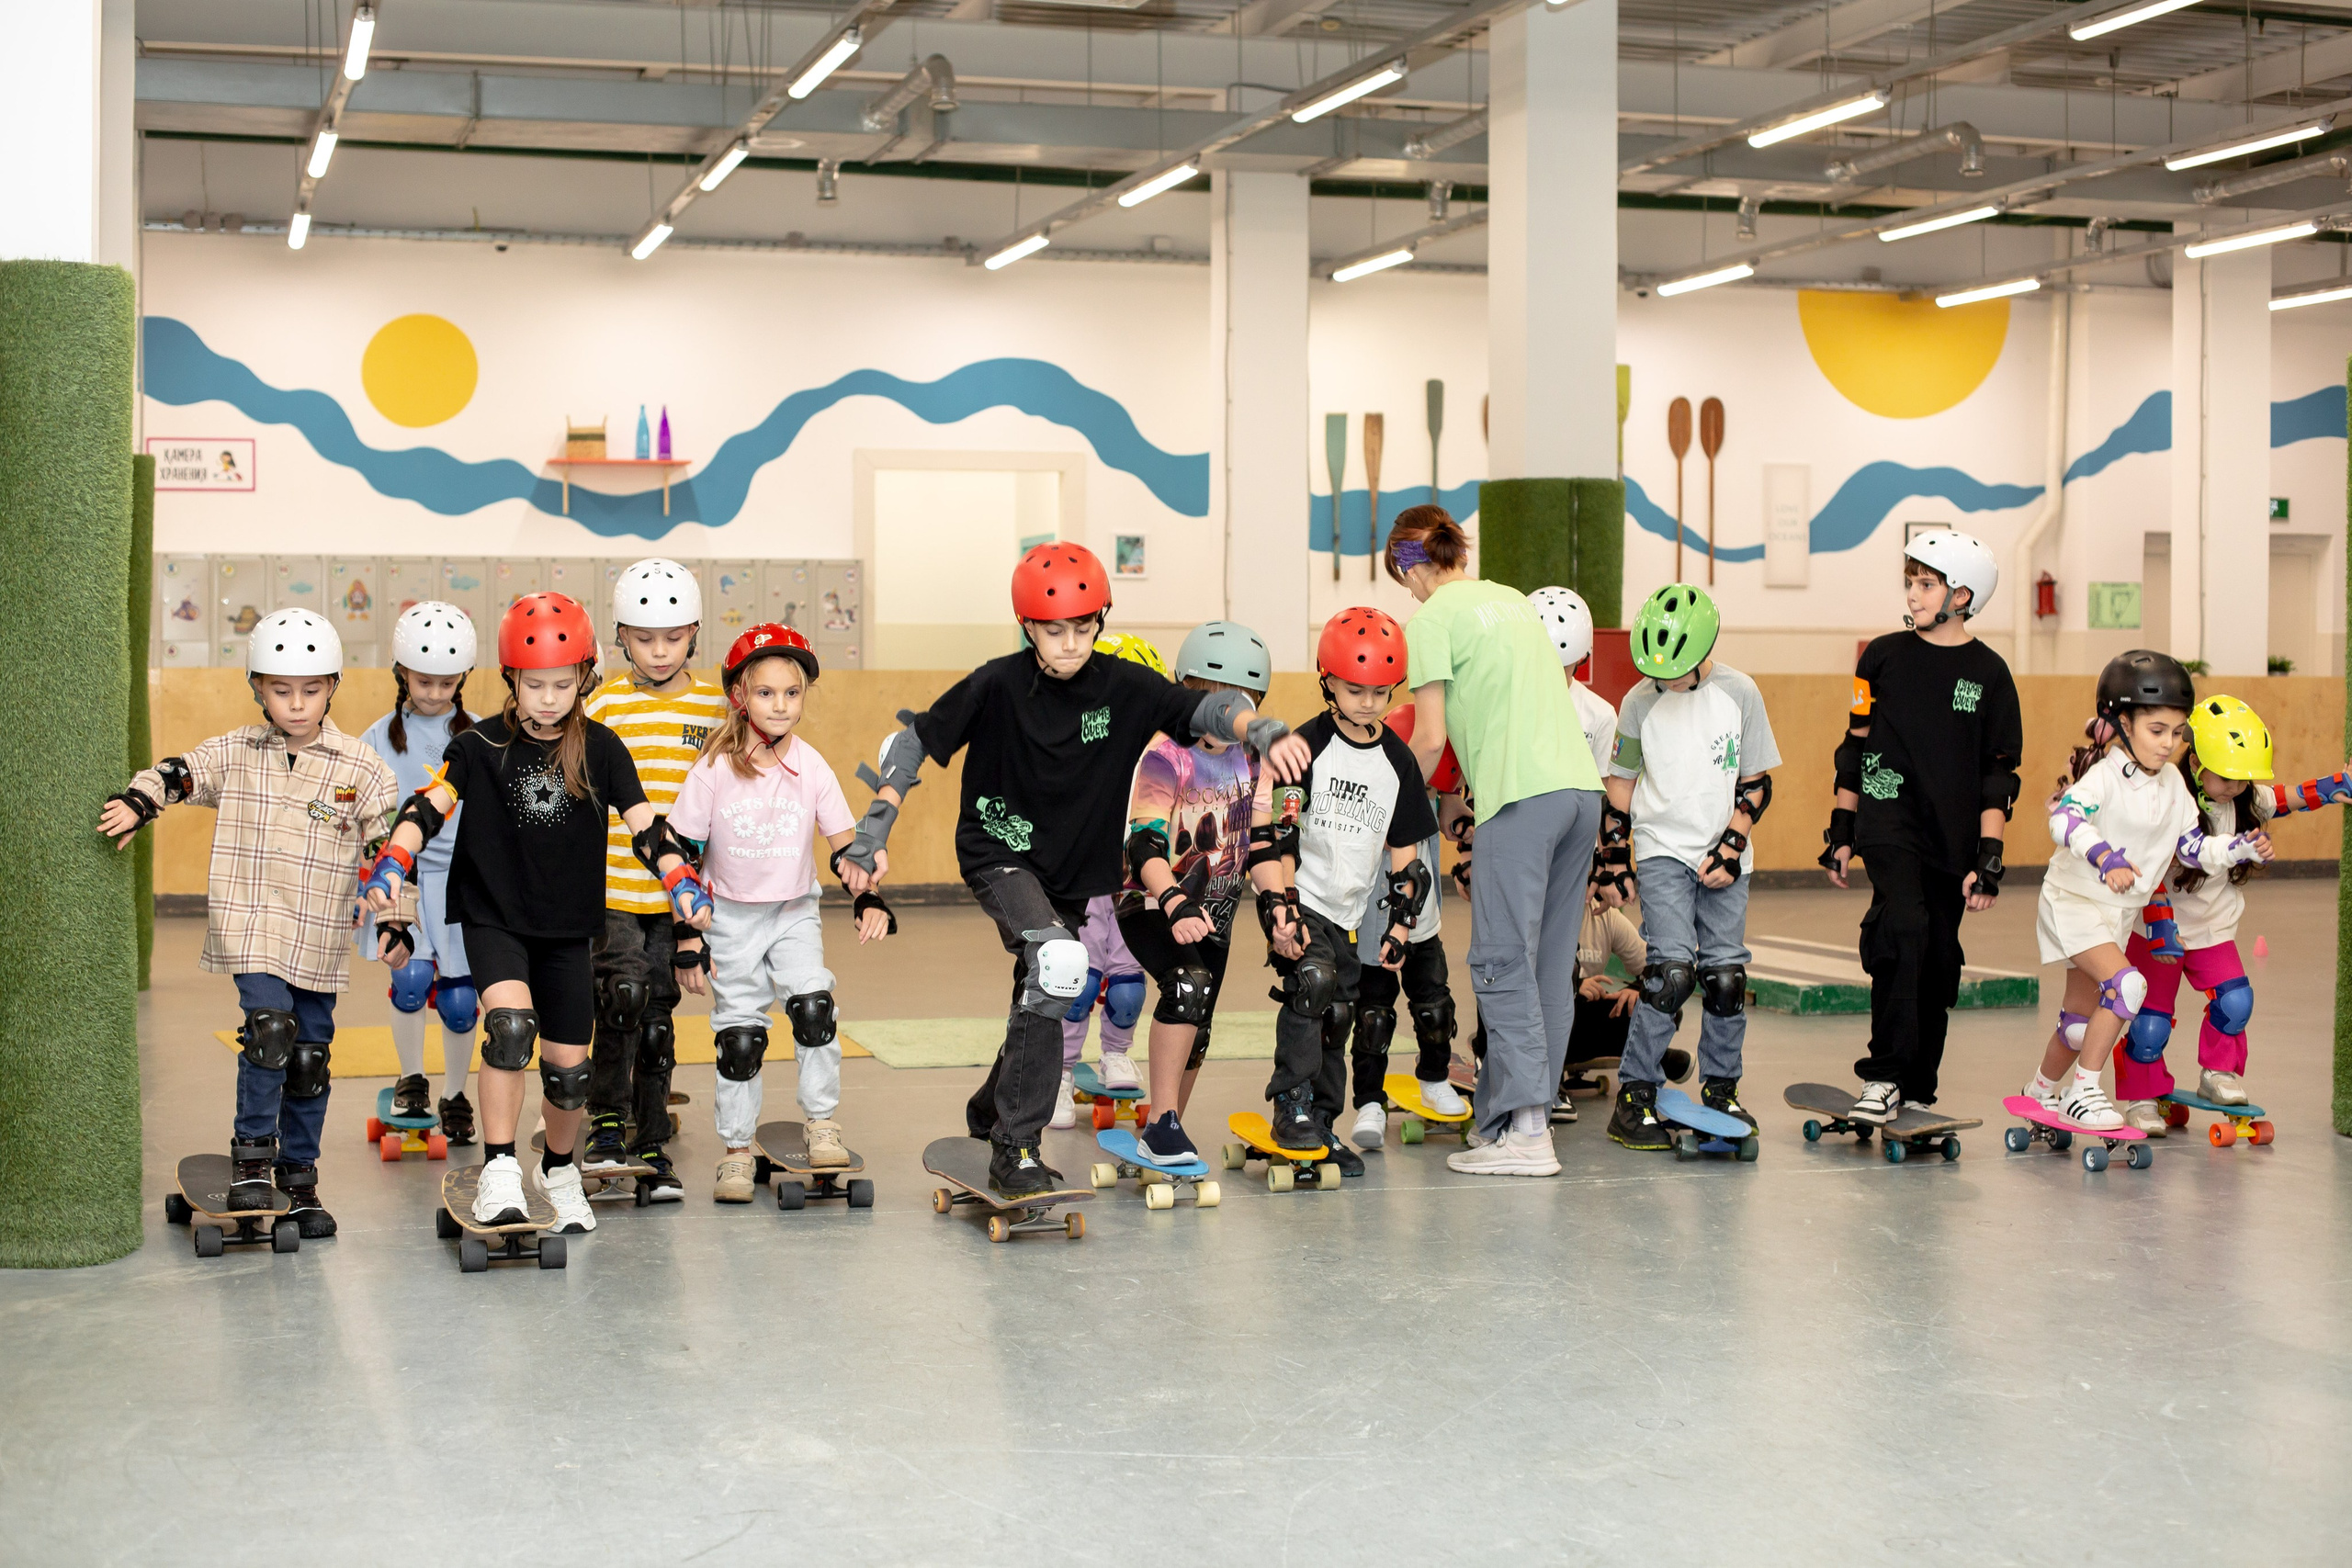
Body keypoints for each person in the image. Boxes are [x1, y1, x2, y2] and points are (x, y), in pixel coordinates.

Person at [833, 543, 1310, 1197]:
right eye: (1054, 630)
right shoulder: (996, 683)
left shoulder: (1122, 685)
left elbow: (1202, 710)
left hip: (1072, 871)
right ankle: (1016, 1147)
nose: (1070, 643)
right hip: (999, 852)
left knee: (1040, 983)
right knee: (1059, 962)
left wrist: (1261, 726)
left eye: (1084, 627)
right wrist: (875, 827)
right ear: (1027, 626)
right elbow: (917, 739)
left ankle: (989, 1108)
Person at [362, 592, 712, 1234]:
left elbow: (646, 826)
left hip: (569, 927)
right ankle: (499, 1168)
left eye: (561, 683)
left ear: (582, 678)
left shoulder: (602, 748)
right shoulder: (479, 744)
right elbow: (428, 806)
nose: (548, 697)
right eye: (534, 684)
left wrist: (679, 878)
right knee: (510, 1028)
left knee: (569, 1070)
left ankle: (557, 1167)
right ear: (510, 680)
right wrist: (393, 862)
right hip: (494, 916)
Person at [98, 610, 400, 1236]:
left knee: (311, 1056)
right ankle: (253, 1163)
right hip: (254, 927)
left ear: (333, 686)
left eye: (311, 689)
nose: (296, 703)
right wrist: (139, 800)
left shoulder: (360, 766)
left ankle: (299, 1176)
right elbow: (180, 773)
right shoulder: (237, 752)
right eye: (281, 690)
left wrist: (389, 906)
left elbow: (386, 838)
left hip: (318, 934)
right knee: (271, 1030)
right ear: (257, 687)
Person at [1385, 506, 1604, 1177]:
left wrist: (1387, 814)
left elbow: (1427, 738)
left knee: (1503, 961)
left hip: (1522, 798)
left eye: (1403, 576)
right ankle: (1514, 1118)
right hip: (1578, 793)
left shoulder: (1430, 619)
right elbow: (1501, 714)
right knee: (1547, 968)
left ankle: (1530, 1133)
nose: (1408, 590)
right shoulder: (1510, 600)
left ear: (1408, 562)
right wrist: (1456, 805)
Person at [670, 624, 894, 1201]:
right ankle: (737, 1153)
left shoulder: (812, 766)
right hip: (728, 921)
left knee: (815, 1006)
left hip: (794, 912)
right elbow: (681, 858)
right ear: (740, 696)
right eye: (766, 693)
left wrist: (867, 895)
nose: (780, 705)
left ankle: (821, 1123)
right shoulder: (714, 769)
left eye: (791, 693)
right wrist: (687, 938)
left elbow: (846, 845)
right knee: (740, 1040)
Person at [1820, 531, 2022, 1123]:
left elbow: (1998, 776)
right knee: (1902, 928)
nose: (1913, 595)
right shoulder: (1880, 657)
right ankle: (1881, 1077)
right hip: (1889, 820)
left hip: (1953, 839)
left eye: (1925, 584)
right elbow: (1854, 744)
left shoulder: (1990, 673)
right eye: (1910, 582)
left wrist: (1989, 857)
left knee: (1937, 958)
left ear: (1961, 595)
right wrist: (1842, 828)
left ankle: (1914, 1084)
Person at [2027, 652, 2260, 1132]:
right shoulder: (2105, 777)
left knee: (2077, 1024)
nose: (2168, 743)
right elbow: (2064, 818)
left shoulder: (2173, 782)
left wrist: (2234, 848)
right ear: (2123, 723)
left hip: (2115, 913)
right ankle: (2084, 1092)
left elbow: (2191, 848)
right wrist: (2105, 857)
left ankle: (2041, 1091)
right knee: (2129, 986)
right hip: (2074, 903)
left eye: (2177, 733)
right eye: (2157, 731)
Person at [1252, 606, 1439, 1175]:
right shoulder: (1305, 747)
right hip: (1302, 895)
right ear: (1326, 680)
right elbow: (1281, 837)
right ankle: (1292, 1104)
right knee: (1313, 985)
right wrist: (1280, 910)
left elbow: (1407, 857)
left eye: (1380, 692)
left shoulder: (1398, 761)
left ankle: (1323, 1121)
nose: (1367, 703)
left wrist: (1403, 923)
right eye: (1354, 690)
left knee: (1339, 1013)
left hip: (1353, 909)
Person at [1600, 584, 1782, 1152]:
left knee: (1726, 979)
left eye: (1676, 672)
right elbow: (1621, 787)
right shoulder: (1638, 701)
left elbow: (1755, 782)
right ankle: (1635, 1094)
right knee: (1670, 973)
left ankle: (1722, 1088)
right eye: (1658, 673)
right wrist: (1613, 857)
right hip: (1662, 849)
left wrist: (1732, 845)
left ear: (1706, 650)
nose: (1666, 683)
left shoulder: (1740, 693)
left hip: (1727, 854)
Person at [2114, 695, 2330, 1130]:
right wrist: (2239, 848)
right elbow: (2174, 859)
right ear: (2194, 761)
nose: (2235, 786)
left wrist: (2336, 784)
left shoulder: (2243, 797)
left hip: (2213, 928)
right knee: (2152, 1022)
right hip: (2161, 931)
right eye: (2226, 777)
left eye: (2243, 779)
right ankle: (2140, 1094)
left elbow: (2288, 797)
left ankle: (2218, 1072)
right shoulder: (2169, 800)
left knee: (2235, 1001)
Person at [579, 558, 726, 1201]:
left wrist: (700, 921)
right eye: (643, 638)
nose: (659, 650)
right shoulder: (603, 702)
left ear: (694, 633)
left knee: (660, 1018)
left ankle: (650, 1136)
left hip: (678, 895)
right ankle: (607, 1122)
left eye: (672, 637)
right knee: (620, 1001)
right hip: (612, 888)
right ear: (621, 637)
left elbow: (724, 809)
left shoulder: (716, 708)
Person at [1118, 621, 1277, 1168]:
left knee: (1200, 1019)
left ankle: (1168, 1125)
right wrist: (1175, 902)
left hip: (1218, 910)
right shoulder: (1166, 756)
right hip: (1152, 901)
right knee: (1186, 986)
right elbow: (1144, 845)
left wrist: (1280, 906)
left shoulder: (1257, 761)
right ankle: (1161, 1123)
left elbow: (1260, 844)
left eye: (1242, 704)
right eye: (1210, 700)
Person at [357, 601, 484, 1145]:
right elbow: (357, 808)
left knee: (459, 999)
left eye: (447, 683)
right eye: (423, 681)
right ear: (400, 673)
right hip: (405, 880)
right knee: (410, 981)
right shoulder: (378, 736)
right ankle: (411, 1079)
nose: (434, 693)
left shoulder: (482, 735)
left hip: (463, 883)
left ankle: (456, 1093)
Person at [1052, 631, 1167, 1129]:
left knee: (1127, 989)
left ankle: (1115, 1053)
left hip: (1134, 887)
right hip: (1081, 887)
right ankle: (1057, 1075)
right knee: (1077, 985)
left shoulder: (1160, 758)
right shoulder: (1071, 746)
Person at [1340, 701, 1464, 1150]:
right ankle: (1369, 1102)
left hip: (1422, 921)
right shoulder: (1371, 782)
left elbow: (1449, 812)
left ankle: (1434, 1077)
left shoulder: (1427, 789)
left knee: (1435, 1008)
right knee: (1373, 1016)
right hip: (1374, 924)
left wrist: (1458, 813)